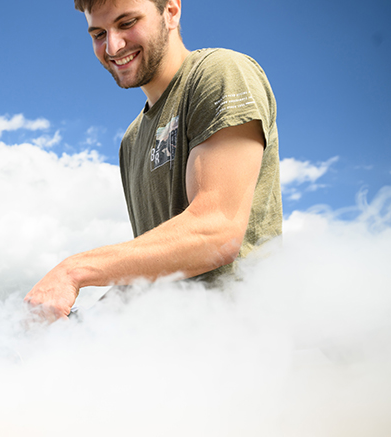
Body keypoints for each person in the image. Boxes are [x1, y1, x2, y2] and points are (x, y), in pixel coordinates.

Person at [25, 0, 282, 319]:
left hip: (243, 336)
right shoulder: (131, 140)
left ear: (171, 11)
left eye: (127, 23)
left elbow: (216, 232)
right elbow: (157, 268)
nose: (113, 47)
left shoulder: (219, 73)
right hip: (172, 342)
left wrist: (73, 271)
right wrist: (81, 321)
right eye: (99, 34)